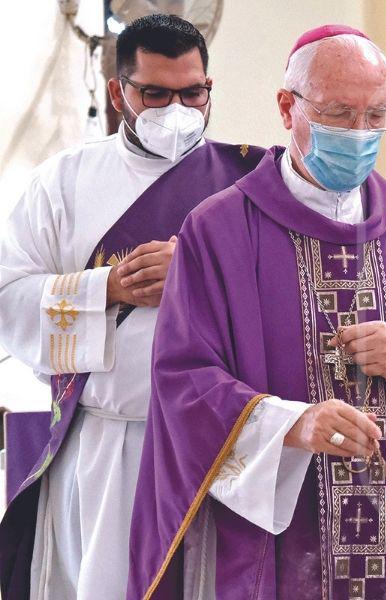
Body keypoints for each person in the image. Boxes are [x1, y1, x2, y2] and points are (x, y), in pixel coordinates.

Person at [125, 26, 386, 599]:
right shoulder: (220, 229)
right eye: (338, 113)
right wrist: (291, 424)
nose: (358, 133)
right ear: (287, 107)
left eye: (375, 115)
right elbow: (183, 383)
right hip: (276, 542)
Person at [0, 15, 265, 599]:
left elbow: (291, 299)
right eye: (156, 93)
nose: (178, 108)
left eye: (193, 92)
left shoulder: (254, 183)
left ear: (209, 87)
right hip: (104, 449)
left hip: (222, 449)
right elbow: (7, 299)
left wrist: (202, 274)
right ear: (119, 92)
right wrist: (108, 288)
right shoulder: (65, 182)